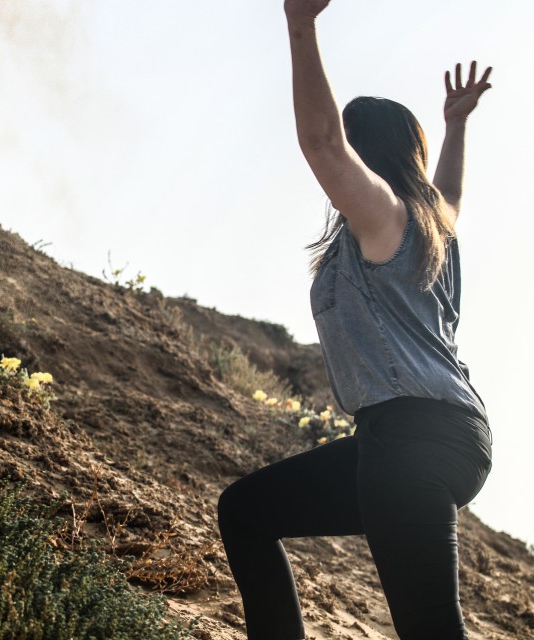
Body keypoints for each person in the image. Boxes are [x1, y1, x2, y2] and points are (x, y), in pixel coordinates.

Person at [216, 1, 494, 638]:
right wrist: (454, 127)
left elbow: (320, 142)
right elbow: (449, 191)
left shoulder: (383, 220)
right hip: (430, 437)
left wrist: (300, 23)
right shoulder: (430, 226)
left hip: (413, 438)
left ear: (366, 154)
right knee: (247, 511)